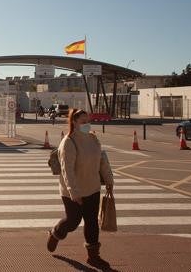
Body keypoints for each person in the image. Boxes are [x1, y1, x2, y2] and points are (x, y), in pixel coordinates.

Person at [46, 109, 114, 270]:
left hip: (92, 187)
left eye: (88, 121)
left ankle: (93, 257)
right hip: (72, 191)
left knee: (92, 222)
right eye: (83, 122)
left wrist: (109, 180)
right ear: (74, 122)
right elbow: (66, 169)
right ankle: (56, 233)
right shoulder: (69, 142)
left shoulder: (93, 139)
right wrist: (73, 192)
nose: (87, 124)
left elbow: (102, 161)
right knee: (73, 221)